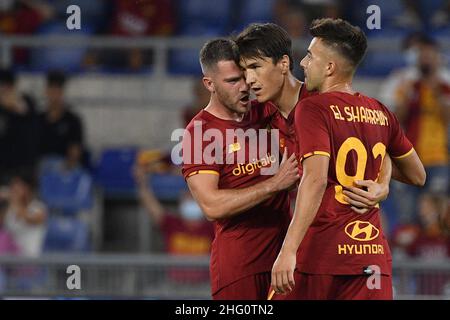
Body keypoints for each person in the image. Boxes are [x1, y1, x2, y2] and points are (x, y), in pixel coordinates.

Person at [270, 18, 426, 300]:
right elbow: (418, 175)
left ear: (329, 67)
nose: (303, 63)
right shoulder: (380, 111)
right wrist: (383, 183)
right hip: (372, 257)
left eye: (310, 56)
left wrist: (287, 250)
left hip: (320, 255)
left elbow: (315, 180)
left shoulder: (312, 109)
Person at [182, 38, 300, 300]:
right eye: (233, 81)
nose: (245, 86)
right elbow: (212, 206)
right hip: (239, 267)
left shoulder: (266, 112)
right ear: (209, 84)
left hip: (284, 260)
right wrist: (274, 184)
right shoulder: (198, 134)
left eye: (246, 76)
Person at [235, 23, 392, 213]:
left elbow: (380, 147)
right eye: (244, 71)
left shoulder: (322, 104)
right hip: (296, 223)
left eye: (255, 67)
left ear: (284, 63)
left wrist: (383, 186)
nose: (249, 79)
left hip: (340, 223)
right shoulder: (257, 114)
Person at [133, 158, 214, 283]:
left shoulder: (212, 228)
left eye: (193, 199)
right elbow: (151, 205)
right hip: (173, 286)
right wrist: (141, 182)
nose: (190, 202)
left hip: (203, 287)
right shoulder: (172, 224)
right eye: (186, 199)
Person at [38, 70, 86, 170]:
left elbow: (75, 151)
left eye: (58, 92)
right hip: (40, 169)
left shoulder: (73, 120)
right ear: (46, 92)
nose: (54, 96)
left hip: (64, 169)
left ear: (62, 93)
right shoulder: (37, 119)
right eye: (52, 91)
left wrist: (65, 168)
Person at [3, 169, 47, 257]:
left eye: (18, 185)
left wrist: (14, 201)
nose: (14, 189)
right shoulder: (10, 208)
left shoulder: (39, 208)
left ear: (28, 188)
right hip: (9, 258)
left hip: (28, 259)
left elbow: (31, 219)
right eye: (12, 186)